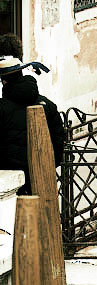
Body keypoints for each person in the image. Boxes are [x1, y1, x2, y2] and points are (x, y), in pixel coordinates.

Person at [0, 54, 65, 193]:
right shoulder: (47, 104)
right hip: (42, 173)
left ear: (4, 82)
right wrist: (51, 163)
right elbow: (59, 137)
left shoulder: (2, 108)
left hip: (13, 178)